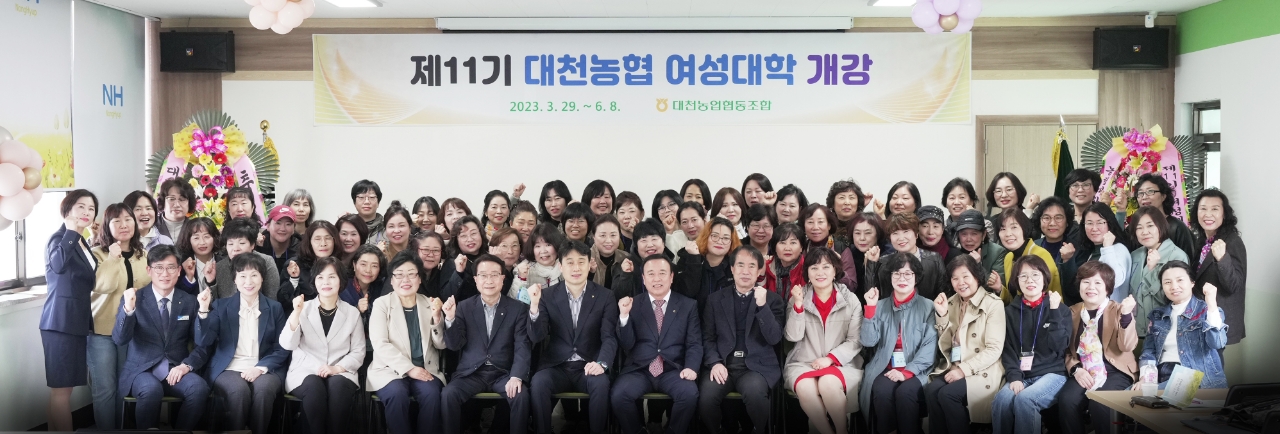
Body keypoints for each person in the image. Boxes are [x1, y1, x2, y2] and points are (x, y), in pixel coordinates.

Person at [112, 245, 210, 430]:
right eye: (159, 267)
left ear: (179, 270)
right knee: (151, 390)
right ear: (149, 270)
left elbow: (203, 344)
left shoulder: (189, 301)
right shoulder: (135, 298)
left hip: (176, 368)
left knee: (199, 388)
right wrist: (128, 309)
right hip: (142, 370)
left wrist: (186, 366)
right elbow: (120, 339)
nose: (165, 273)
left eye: (171, 267)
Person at [527, 241, 619, 434]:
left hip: (589, 364)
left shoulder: (605, 296)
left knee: (601, 383)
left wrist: (602, 363)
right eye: (570, 262)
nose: (576, 268)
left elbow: (609, 337)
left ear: (589, 264)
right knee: (539, 382)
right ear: (561, 266)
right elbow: (537, 336)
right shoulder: (547, 296)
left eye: (581, 262)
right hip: (557, 366)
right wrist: (534, 307)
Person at [196, 253, 289, 434]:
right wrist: (203, 310)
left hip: (264, 367)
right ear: (234, 280)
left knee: (264, 390)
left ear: (262, 278)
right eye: (242, 276)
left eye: (254, 275)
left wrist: (260, 368)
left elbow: (282, 347)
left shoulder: (274, 308)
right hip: (229, 367)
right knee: (238, 391)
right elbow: (203, 340)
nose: (248, 281)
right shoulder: (221, 306)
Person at [610, 254, 703, 434]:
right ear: (643, 279)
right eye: (651, 274)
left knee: (689, 394)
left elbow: (694, 343)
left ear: (671, 277)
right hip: (639, 370)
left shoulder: (688, 305)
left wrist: (691, 367)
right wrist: (624, 316)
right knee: (619, 395)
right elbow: (626, 344)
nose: (657, 279)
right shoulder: (633, 303)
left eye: (662, 273)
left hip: (673, 369)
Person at [440, 254, 532, 434]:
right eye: (483, 275)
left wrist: (516, 376)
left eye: (494, 275)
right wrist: (450, 319)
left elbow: (522, 345)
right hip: (471, 373)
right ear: (476, 279)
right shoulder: (464, 307)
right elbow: (454, 345)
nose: (489, 280)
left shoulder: (518, 308)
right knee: (448, 394)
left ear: (503, 278)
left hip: (503, 373)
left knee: (520, 395)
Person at [698, 246, 785, 434]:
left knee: (756, 395)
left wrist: (762, 307)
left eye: (752, 266)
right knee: (706, 398)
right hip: (723, 364)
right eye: (740, 265)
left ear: (759, 271)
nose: (745, 271)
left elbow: (774, 338)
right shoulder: (715, 300)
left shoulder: (773, 300)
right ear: (732, 269)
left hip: (756, 366)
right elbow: (707, 338)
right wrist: (714, 363)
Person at [280, 256, 367, 434]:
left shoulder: (352, 313)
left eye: (332, 277)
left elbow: (358, 351)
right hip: (305, 370)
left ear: (341, 281)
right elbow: (287, 344)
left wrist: (337, 368)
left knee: (339, 388)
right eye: (320, 277)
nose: (326, 282)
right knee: (314, 388)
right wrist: (296, 314)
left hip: (341, 370)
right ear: (314, 281)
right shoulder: (303, 308)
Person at [783, 247, 863, 434]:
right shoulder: (798, 297)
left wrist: (830, 359)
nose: (820, 273)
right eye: (814, 268)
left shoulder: (850, 300)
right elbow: (792, 336)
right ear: (807, 273)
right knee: (804, 387)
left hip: (842, 363)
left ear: (835, 271)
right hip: (804, 362)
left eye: (826, 267)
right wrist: (798, 306)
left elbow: (855, 340)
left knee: (828, 382)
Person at [367, 251, 448, 434]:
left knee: (432, 394)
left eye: (411, 274)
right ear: (392, 280)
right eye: (399, 274)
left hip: (425, 369)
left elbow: (441, 345)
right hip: (389, 370)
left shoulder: (430, 303)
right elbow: (380, 343)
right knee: (397, 394)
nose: (406, 279)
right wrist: (410, 369)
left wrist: (437, 319)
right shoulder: (382, 304)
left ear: (419, 279)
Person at [924, 255, 1006, 434]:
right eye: (955, 278)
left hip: (982, 370)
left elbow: (994, 350)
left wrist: (963, 370)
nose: (960, 282)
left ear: (977, 277)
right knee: (931, 391)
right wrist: (942, 315)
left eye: (965, 276)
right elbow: (945, 345)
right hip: (955, 365)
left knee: (948, 395)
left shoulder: (993, 304)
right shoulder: (951, 302)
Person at [860, 252, 938, 434]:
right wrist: (870, 308)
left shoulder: (928, 306)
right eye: (897, 273)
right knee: (881, 392)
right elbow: (868, 341)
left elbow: (930, 346)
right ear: (890, 277)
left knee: (906, 394)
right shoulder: (879, 305)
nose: (902, 278)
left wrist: (907, 372)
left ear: (917, 278)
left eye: (908, 274)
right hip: (885, 367)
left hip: (917, 369)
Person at [991, 255, 1070, 434]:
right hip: (1023, 374)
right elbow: (1008, 349)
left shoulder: (1060, 309)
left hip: (1053, 374)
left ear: (1044, 278)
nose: (1030, 280)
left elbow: (1059, 346)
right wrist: (1015, 376)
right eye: (1023, 276)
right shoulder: (1009, 312)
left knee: (1025, 400)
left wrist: (1054, 311)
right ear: (1017, 281)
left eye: (1035, 275)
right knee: (1001, 401)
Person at [1057, 261, 1139, 434]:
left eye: (1097, 283)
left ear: (1107, 288)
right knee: (1067, 400)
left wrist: (1126, 315)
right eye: (1086, 282)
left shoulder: (1119, 310)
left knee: (1099, 402)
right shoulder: (1071, 312)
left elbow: (1127, 346)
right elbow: (1065, 350)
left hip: (1116, 370)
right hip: (1084, 370)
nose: (1091, 287)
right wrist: (1076, 369)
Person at [40, 189, 99, 432]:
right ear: (67, 209)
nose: (87, 212)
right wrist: (72, 232)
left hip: (74, 323)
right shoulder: (60, 238)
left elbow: (85, 277)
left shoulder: (82, 241)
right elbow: (57, 265)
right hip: (60, 323)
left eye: (91, 208)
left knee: (62, 391)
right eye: (81, 207)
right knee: (61, 392)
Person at [89, 203, 149, 429]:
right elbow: (102, 286)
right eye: (117, 221)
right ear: (107, 226)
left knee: (124, 388)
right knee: (105, 389)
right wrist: (113, 259)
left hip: (131, 333)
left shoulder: (143, 255)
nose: (124, 225)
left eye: (128, 219)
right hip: (101, 331)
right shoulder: (97, 254)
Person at [1138, 261, 1228, 389]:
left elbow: (1217, 343)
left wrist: (1211, 303)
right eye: (1167, 282)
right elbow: (1149, 350)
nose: (1174, 286)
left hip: (1193, 377)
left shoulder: (1207, 311)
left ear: (1192, 282)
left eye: (1180, 280)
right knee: (1129, 395)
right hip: (1160, 374)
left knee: (1148, 398)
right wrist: (1147, 379)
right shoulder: (1157, 315)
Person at [1189, 189, 1247, 350]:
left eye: (1215, 209)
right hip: (1199, 317)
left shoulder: (1232, 242)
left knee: (1213, 364)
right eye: (1203, 208)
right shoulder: (1202, 239)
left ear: (1224, 214)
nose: (1208, 214)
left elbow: (1234, 286)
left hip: (1217, 321)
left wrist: (1222, 259)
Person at [1127, 205, 1188, 339]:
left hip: (1164, 332)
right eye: (1139, 228)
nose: (1145, 232)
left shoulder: (1177, 256)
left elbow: (1176, 299)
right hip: (1136, 331)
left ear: (1161, 226)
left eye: (1150, 226)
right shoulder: (1135, 255)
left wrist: (1153, 270)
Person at [867, 213, 947, 300]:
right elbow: (870, 295)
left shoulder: (934, 260)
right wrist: (872, 263)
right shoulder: (883, 262)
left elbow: (943, 293)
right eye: (895, 233)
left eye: (906, 231)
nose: (901, 238)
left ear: (916, 234)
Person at [992, 208, 1061, 304]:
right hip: (1019, 312)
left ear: (1024, 229)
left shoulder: (1041, 255)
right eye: (1002, 229)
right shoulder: (1008, 257)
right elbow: (1014, 299)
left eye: (1014, 227)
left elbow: (1046, 296)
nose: (1008, 234)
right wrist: (1000, 289)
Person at [207, 218, 282, 301]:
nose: (235, 249)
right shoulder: (219, 267)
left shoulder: (266, 261)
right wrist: (211, 282)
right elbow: (215, 304)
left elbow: (272, 298)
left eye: (241, 243)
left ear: (252, 245)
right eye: (231, 244)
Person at [677, 216, 741, 311]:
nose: (720, 241)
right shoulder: (689, 258)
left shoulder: (735, 265)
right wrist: (694, 260)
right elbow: (687, 292)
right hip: (694, 318)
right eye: (714, 236)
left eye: (726, 238)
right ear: (706, 237)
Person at [1131, 174, 1197, 261]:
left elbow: (1188, 260)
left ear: (1163, 196)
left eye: (1150, 191)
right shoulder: (1135, 226)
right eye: (1140, 193)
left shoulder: (1177, 227)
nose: (1144, 197)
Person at [1077, 203, 1133, 302]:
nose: (1094, 228)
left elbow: (1116, 280)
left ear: (1109, 224)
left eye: (1100, 222)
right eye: (1089, 223)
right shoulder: (1092, 251)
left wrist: (1108, 248)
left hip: (1112, 310)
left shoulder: (1118, 248)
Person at [1032, 197, 1082, 305]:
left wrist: (1068, 261)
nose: (1052, 223)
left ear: (1067, 222)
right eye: (1046, 218)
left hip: (1066, 309)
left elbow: (1075, 290)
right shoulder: (1032, 247)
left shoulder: (1078, 249)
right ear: (1039, 221)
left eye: (1058, 218)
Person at [943, 209, 1008, 291]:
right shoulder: (954, 254)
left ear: (984, 234)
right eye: (964, 234)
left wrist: (978, 265)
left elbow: (997, 287)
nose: (968, 239)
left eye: (974, 234)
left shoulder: (997, 252)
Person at [799, 204, 859, 291]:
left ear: (829, 225)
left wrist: (838, 268)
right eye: (810, 222)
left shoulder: (840, 249)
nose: (815, 227)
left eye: (820, 222)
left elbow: (852, 286)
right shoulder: (801, 248)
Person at [283, 220, 341, 309]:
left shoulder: (339, 265)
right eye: (317, 239)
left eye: (328, 238)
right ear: (309, 242)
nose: (323, 244)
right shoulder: (294, 265)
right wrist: (294, 279)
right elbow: (283, 300)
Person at [610, 218, 671, 300]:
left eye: (654, 239)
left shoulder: (671, 267)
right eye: (644, 240)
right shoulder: (624, 266)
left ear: (663, 243)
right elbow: (615, 298)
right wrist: (626, 276)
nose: (650, 245)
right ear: (636, 245)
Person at [512, 223, 565, 303]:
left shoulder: (566, 266)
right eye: (537, 246)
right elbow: (513, 302)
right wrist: (521, 279)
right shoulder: (524, 269)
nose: (543, 251)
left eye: (548, 245)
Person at [255, 205, 300, 286]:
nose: (282, 228)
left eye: (288, 224)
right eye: (278, 223)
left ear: (293, 229)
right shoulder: (257, 247)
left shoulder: (301, 250)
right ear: (268, 226)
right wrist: (256, 247)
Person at [940, 177, 993, 245]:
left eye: (962, 197)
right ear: (946, 202)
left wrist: (973, 218)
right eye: (952, 198)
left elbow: (988, 248)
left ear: (972, 201)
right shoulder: (941, 227)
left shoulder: (984, 224)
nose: (956, 202)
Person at [174, 217, 220, 295]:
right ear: (188, 240)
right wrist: (189, 277)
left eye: (206, 237)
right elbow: (179, 296)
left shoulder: (223, 263)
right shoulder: (181, 265)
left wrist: (212, 282)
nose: (202, 242)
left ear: (214, 238)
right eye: (196, 238)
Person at [410, 230, 460, 299]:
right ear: (415, 251)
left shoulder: (441, 275)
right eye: (426, 250)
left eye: (436, 250)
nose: (431, 255)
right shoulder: (409, 276)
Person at [847, 212, 887, 296]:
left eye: (868, 233)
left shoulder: (888, 255)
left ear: (878, 234)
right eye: (857, 233)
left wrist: (871, 265)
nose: (862, 238)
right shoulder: (849, 253)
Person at [985, 172, 1031, 240]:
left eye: (1009, 190)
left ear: (1018, 191)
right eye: (998, 191)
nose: (1004, 195)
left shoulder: (1031, 216)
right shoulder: (992, 221)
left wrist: (1029, 210)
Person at [590, 214, 629, 290]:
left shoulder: (626, 258)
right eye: (603, 235)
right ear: (594, 237)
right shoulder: (585, 258)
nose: (608, 240)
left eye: (613, 235)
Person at [763, 223, 805, 293]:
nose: (787, 248)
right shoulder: (766, 267)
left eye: (793, 243)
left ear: (801, 247)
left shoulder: (807, 270)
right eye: (782, 243)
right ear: (775, 247)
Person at [826, 180, 866, 244]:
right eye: (842, 198)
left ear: (858, 202)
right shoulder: (826, 227)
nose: (847, 202)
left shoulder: (865, 226)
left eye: (851, 198)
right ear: (833, 203)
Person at [351, 179, 385, 244]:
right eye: (361, 197)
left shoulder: (387, 228)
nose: (367, 202)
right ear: (354, 202)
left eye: (372, 197)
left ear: (378, 202)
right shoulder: (348, 227)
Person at [651, 189, 684, 254]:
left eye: (671, 204)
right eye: (661, 208)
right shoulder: (654, 237)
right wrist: (668, 232)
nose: (667, 210)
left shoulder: (689, 229)